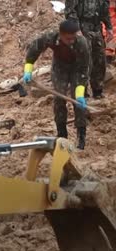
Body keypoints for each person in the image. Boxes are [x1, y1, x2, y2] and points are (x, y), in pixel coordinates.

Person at [22, 19, 90, 150]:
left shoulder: (82, 43)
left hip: (77, 68)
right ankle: (62, 135)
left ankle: (81, 136)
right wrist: (28, 69)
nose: (71, 41)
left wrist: (80, 93)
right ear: (61, 34)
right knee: (59, 99)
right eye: (68, 38)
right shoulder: (50, 36)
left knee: (78, 102)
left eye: (73, 38)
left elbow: (84, 69)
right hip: (60, 67)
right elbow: (33, 50)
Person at [65, 0, 113, 99]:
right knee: (84, 61)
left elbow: (104, 9)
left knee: (100, 61)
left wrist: (108, 27)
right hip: (82, 28)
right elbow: (70, 11)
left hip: (96, 28)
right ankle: (82, 93)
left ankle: (98, 91)